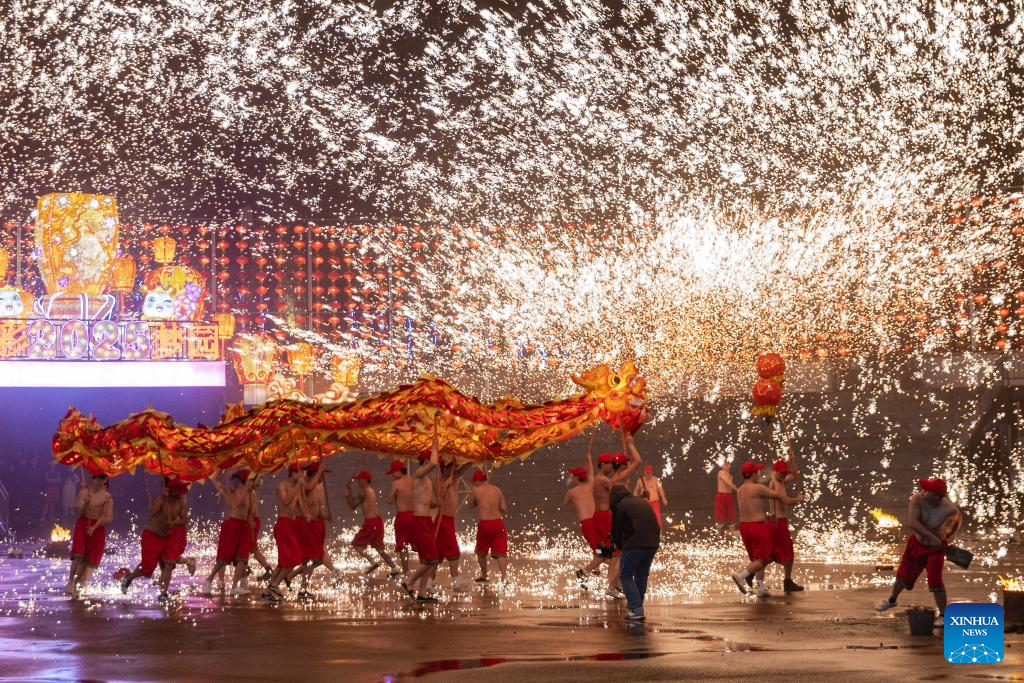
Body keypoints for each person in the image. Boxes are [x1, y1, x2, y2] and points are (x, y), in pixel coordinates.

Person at [876, 478, 961, 628]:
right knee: (903, 575)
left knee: (935, 580)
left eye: (927, 490)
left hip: (935, 550)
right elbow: (913, 522)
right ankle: (892, 600)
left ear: (937, 496)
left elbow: (957, 521)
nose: (923, 491)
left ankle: (943, 615)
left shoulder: (949, 509)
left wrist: (946, 537)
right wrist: (933, 537)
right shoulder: (917, 498)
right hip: (916, 544)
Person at [729, 461, 804, 598]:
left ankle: (761, 588)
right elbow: (779, 495)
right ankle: (742, 575)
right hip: (757, 526)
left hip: (744, 527)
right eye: (757, 472)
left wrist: (783, 475)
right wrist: (798, 498)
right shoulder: (758, 488)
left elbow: (752, 508)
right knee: (763, 559)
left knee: (757, 558)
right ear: (753, 474)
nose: (758, 474)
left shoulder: (740, 490)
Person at [591, 429, 642, 598]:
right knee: (615, 553)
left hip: (607, 517)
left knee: (610, 552)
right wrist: (630, 444)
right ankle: (607, 581)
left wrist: (640, 497)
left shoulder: (609, 479)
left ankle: (612, 581)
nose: (629, 465)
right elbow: (638, 461)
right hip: (611, 517)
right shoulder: (611, 479)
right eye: (626, 463)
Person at [121, 479, 190, 602]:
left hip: (167, 538)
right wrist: (162, 501)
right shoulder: (159, 500)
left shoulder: (180, 503)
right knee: (147, 571)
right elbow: (152, 513)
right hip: (152, 536)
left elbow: (184, 519)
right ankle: (129, 577)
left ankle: (163, 593)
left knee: (169, 564)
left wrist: (174, 523)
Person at [401, 425, 442, 602]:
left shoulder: (428, 481)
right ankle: (409, 581)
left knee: (428, 559)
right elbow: (433, 463)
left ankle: (422, 593)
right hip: (419, 520)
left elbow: (431, 502)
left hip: (427, 520)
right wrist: (434, 446)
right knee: (431, 559)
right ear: (424, 462)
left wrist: (437, 502)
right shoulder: (418, 475)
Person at [610, 484, 660, 621]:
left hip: (634, 543)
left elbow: (617, 530)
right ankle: (636, 606)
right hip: (652, 543)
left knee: (625, 575)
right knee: (641, 575)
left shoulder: (621, 506)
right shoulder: (641, 502)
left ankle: (636, 608)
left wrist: (619, 546)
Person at [203, 469, 256, 597]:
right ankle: (209, 579)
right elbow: (237, 504)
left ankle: (234, 587)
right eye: (253, 480)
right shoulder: (237, 491)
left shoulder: (251, 494)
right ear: (246, 481)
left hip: (244, 526)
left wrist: (251, 524)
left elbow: (249, 512)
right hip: (233, 524)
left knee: (243, 558)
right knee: (224, 558)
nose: (255, 482)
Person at [561, 432, 605, 587]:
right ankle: (593, 568)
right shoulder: (591, 483)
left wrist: (570, 491)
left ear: (576, 478)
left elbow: (564, 504)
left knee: (600, 549)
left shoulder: (571, 492)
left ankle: (588, 570)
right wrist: (588, 458)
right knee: (600, 548)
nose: (571, 478)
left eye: (572, 476)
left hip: (587, 524)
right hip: (596, 521)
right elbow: (591, 470)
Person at [261, 463, 307, 602]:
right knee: (293, 558)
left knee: (283, 562)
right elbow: (286, 501)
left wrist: (307, 515)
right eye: (299, 473)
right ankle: (275, 585)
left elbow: (300, 506)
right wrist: (298, 486)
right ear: (293, 473)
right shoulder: (282, 485)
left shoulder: (298, 487)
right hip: (283, 524)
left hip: (291, 525)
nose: (302, 475)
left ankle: (268, 590)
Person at [65, 473, 113, 597]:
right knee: (78, 555)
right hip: (83, 524)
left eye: (103, 479)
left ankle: (77, 583)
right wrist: (85, 502)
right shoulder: (84, 493)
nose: (100, 481)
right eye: (98, 478)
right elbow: (80, 513)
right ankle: (70, 582)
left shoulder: (107, 497)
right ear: (94, 479)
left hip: (97, 527)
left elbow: (107, 516)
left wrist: (95, 527)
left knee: (87, 559)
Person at [346, 470, 400, 577]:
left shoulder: (364, 491)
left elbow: (352, 505)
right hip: (378, 521)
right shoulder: (371, 490)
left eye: (359, 480)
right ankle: (394, 568)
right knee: (379, 548)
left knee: (355, 544)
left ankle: (372, 562)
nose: (358, 482)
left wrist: (348, 493)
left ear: (365, 480)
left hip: (370, 523)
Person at [767, 459, 804, 593]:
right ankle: (750, 572)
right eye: (781, 473)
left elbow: (795, 475)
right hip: (778, 522)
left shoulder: (780, 479)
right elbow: (786, 500)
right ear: (775, 471)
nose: (783, 476)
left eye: (784, 473)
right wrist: (798, 499)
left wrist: (792, 457)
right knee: (778, 553)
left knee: (781, 552)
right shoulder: (776, 484)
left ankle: (787, 580)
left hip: (779, 521)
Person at [435, 460, 471, 593]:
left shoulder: (454, 477)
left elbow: (465, 467)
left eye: (454, 468)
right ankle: (456, 585)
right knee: (453, 553)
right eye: (451, 468)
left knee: (437, 556)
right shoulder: (439, 481)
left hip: (449, 520)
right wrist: (445, 485)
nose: (453, 470)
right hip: (443, 521)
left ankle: (428, 584)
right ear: (443, 468)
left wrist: (470, 460)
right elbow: (439, 499)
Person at [467, 469, 508, 583]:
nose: (473, 484)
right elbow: (504, 508)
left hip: (485, 524)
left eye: (474, 481)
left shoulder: (475, 490)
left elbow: (470, 505)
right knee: (501, 552)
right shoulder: (497, 489)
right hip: (498, 523)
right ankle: (504, 577)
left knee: (480, 551)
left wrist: (477, 499)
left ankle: (484, 575)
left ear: (478, 481)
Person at [387, 458, 416, 577]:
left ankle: (406, 572)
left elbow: (389, 500)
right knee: (417, 544)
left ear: (398, 471)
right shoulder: (413, 480)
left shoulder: (396, 483)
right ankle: (427, 567)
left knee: (403, 546)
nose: (393, 475)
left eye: (394, 473)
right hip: (415, 515)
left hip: (403, 517)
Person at [714, 459, 738, 532]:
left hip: (729, 496)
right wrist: (738, 490)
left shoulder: (730, 476)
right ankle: (718, 535)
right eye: (724, 463)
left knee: (731, 515)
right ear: (722, 465)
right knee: (720, 516)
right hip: (721, 496)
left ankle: (732, 533)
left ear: (730, 465)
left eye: (727, 463)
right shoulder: (720, 472)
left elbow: (730, 485)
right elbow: (728, 483)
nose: (726, 464)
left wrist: (736, 489)